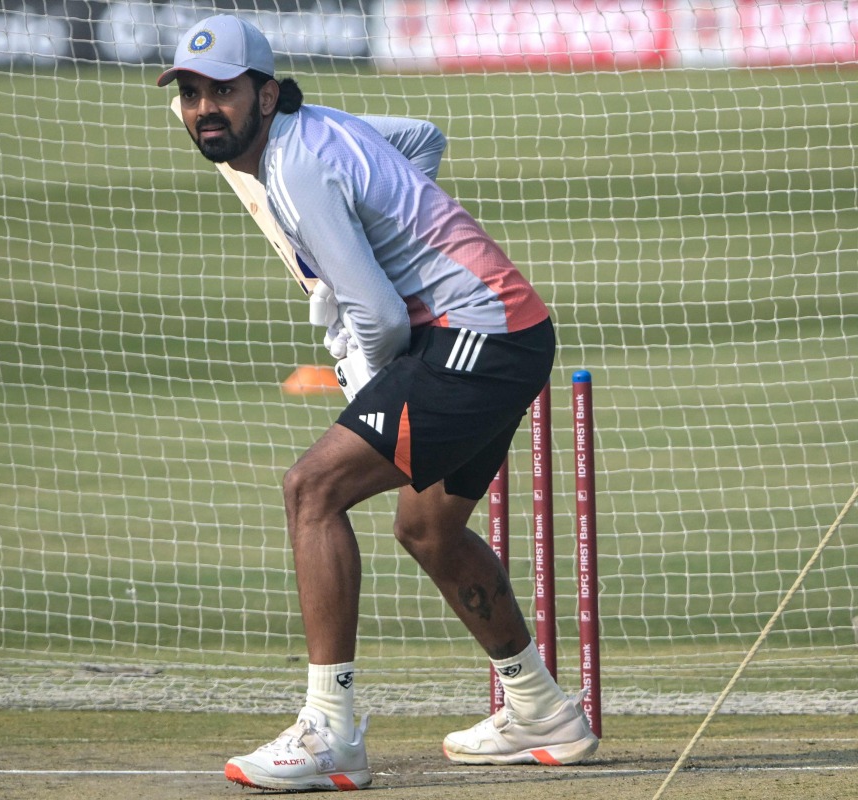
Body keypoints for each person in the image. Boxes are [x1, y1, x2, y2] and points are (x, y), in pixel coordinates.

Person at [156, 14, 599, 792]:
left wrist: (371, 371)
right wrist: (388, 230)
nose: (206, 110)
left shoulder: (295, 165)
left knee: (311, 488)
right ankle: (541, 711)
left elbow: (384, 319)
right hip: (505, 332)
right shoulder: (320, 127)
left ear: (266, 93)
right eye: (192, 95)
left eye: (224, 91)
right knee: (428, 527)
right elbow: (421, 138)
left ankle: (331, 727)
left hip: (476, 338)